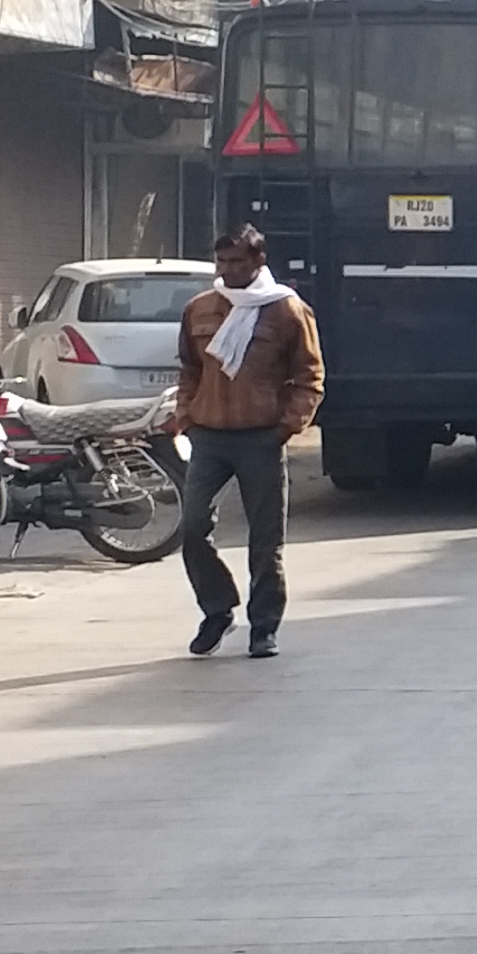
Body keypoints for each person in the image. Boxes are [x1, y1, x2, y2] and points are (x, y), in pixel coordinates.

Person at [174, 225, 326, 658]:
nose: (228, 270)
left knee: (265, 541)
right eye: (222, 262)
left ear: (258, 262)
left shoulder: (286, 311)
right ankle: (217, 610)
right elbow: (188, 368)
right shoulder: (199, 309)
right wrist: (186, 414)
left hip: (261, 438)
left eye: (238, 262)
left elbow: (309, 376)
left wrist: (286, 426)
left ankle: (264, 628)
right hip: (209, 436)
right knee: (192, 529)